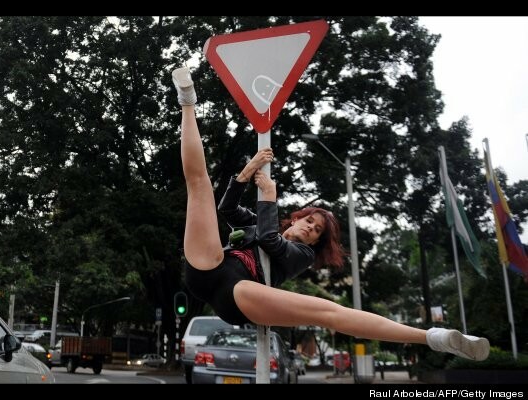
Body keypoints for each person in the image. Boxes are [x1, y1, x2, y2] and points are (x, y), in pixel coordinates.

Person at [172, 66, 490, 361]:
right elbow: (228, 209)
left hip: (241, 294)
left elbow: (271, 240)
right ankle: (188, 100)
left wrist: (269, 196)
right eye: (310, 221)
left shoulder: (301, 255)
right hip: (211, 265)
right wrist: (248, 171)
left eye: (317, 232)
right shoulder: (258, 224)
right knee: (199, 185)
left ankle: (434, 337)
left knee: (329, 313)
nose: (311, 230)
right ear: (296, 218)